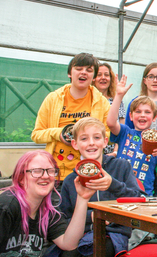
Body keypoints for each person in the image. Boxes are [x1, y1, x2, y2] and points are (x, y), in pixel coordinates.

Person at [51, 117, 143, 257]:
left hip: (114, 234)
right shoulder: (70, 180)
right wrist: (91, 217)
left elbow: (139, 200)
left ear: (105, 141)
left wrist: (113, 185)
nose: (91, 143)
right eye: (84, 138)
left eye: (97, 137)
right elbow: (64, 218)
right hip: (81, 235)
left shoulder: (121, 166)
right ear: (75, 144)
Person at [0, 150, 95, 257]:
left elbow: (69, 244)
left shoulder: (48, 209)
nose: (45, 176)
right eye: (36, 171)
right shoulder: (5, 208)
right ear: (21, 178)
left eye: (50, 171)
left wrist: (82, 198)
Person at [31, 53, 110, 186]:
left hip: (89, 172)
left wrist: (87, 138)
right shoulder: (53, 99)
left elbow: (107, 134)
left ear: (94, 77)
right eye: (78, 68)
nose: (83, 72)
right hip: (56, 174)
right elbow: (36, 135)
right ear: (69, 73)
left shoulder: (102, 102)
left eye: (89, 70)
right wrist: (59, 134)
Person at [107, 75, 157, 196]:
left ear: (154, 118)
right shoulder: (125, 132)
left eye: (147, 112)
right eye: (138, 111)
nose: (142, 115)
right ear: (131, 116)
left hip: (144, 192)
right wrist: (119, 96)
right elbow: (110, 123)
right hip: (119, 190)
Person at [125, 62, 157, 196]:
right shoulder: (134, 103)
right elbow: (128, 132)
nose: (155, 80)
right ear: (145, 80)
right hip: (138, 160)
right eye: (151, 76)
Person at [93, 62, 126, 154]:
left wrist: (115, 151)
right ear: (93, 79)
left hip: (112, 153)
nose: (103, 77)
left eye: (106, 75)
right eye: (99, 75)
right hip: (92, 151)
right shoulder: (88, 100)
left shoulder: (117, 100)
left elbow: (122, 127)